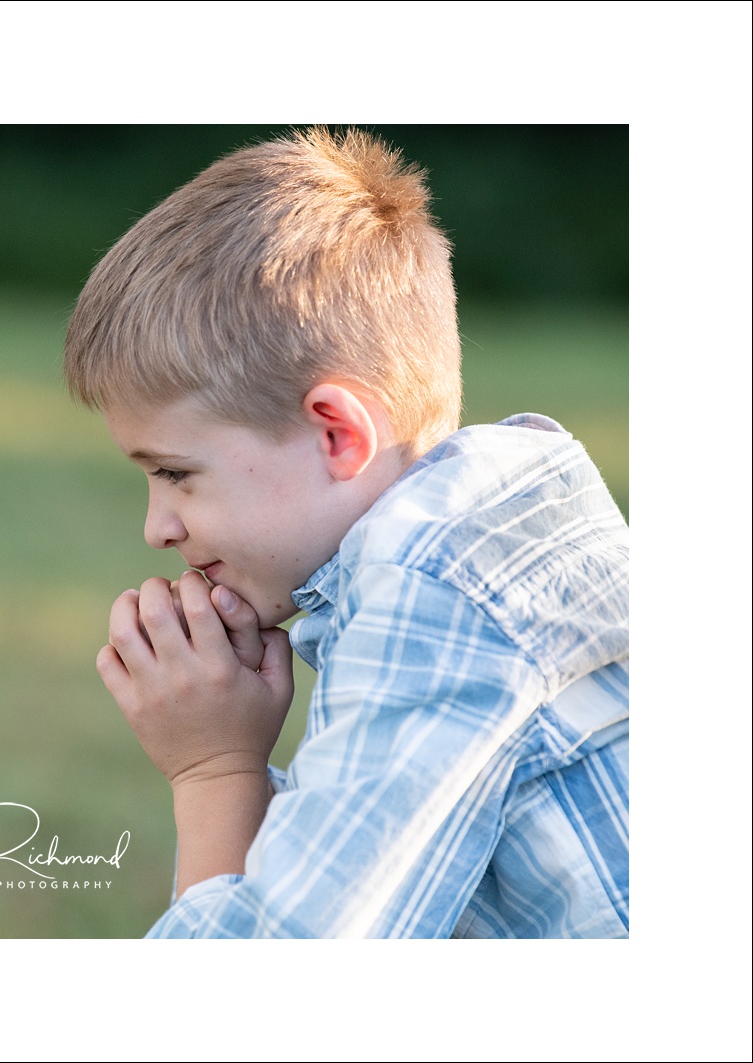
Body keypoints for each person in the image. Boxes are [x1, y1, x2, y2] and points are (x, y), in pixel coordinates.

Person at [65, 128, 628, 937]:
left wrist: (213, 769)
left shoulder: (438, 595)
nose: (158, 527)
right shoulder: (467, 559)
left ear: (336, 434)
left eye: (176, 474)